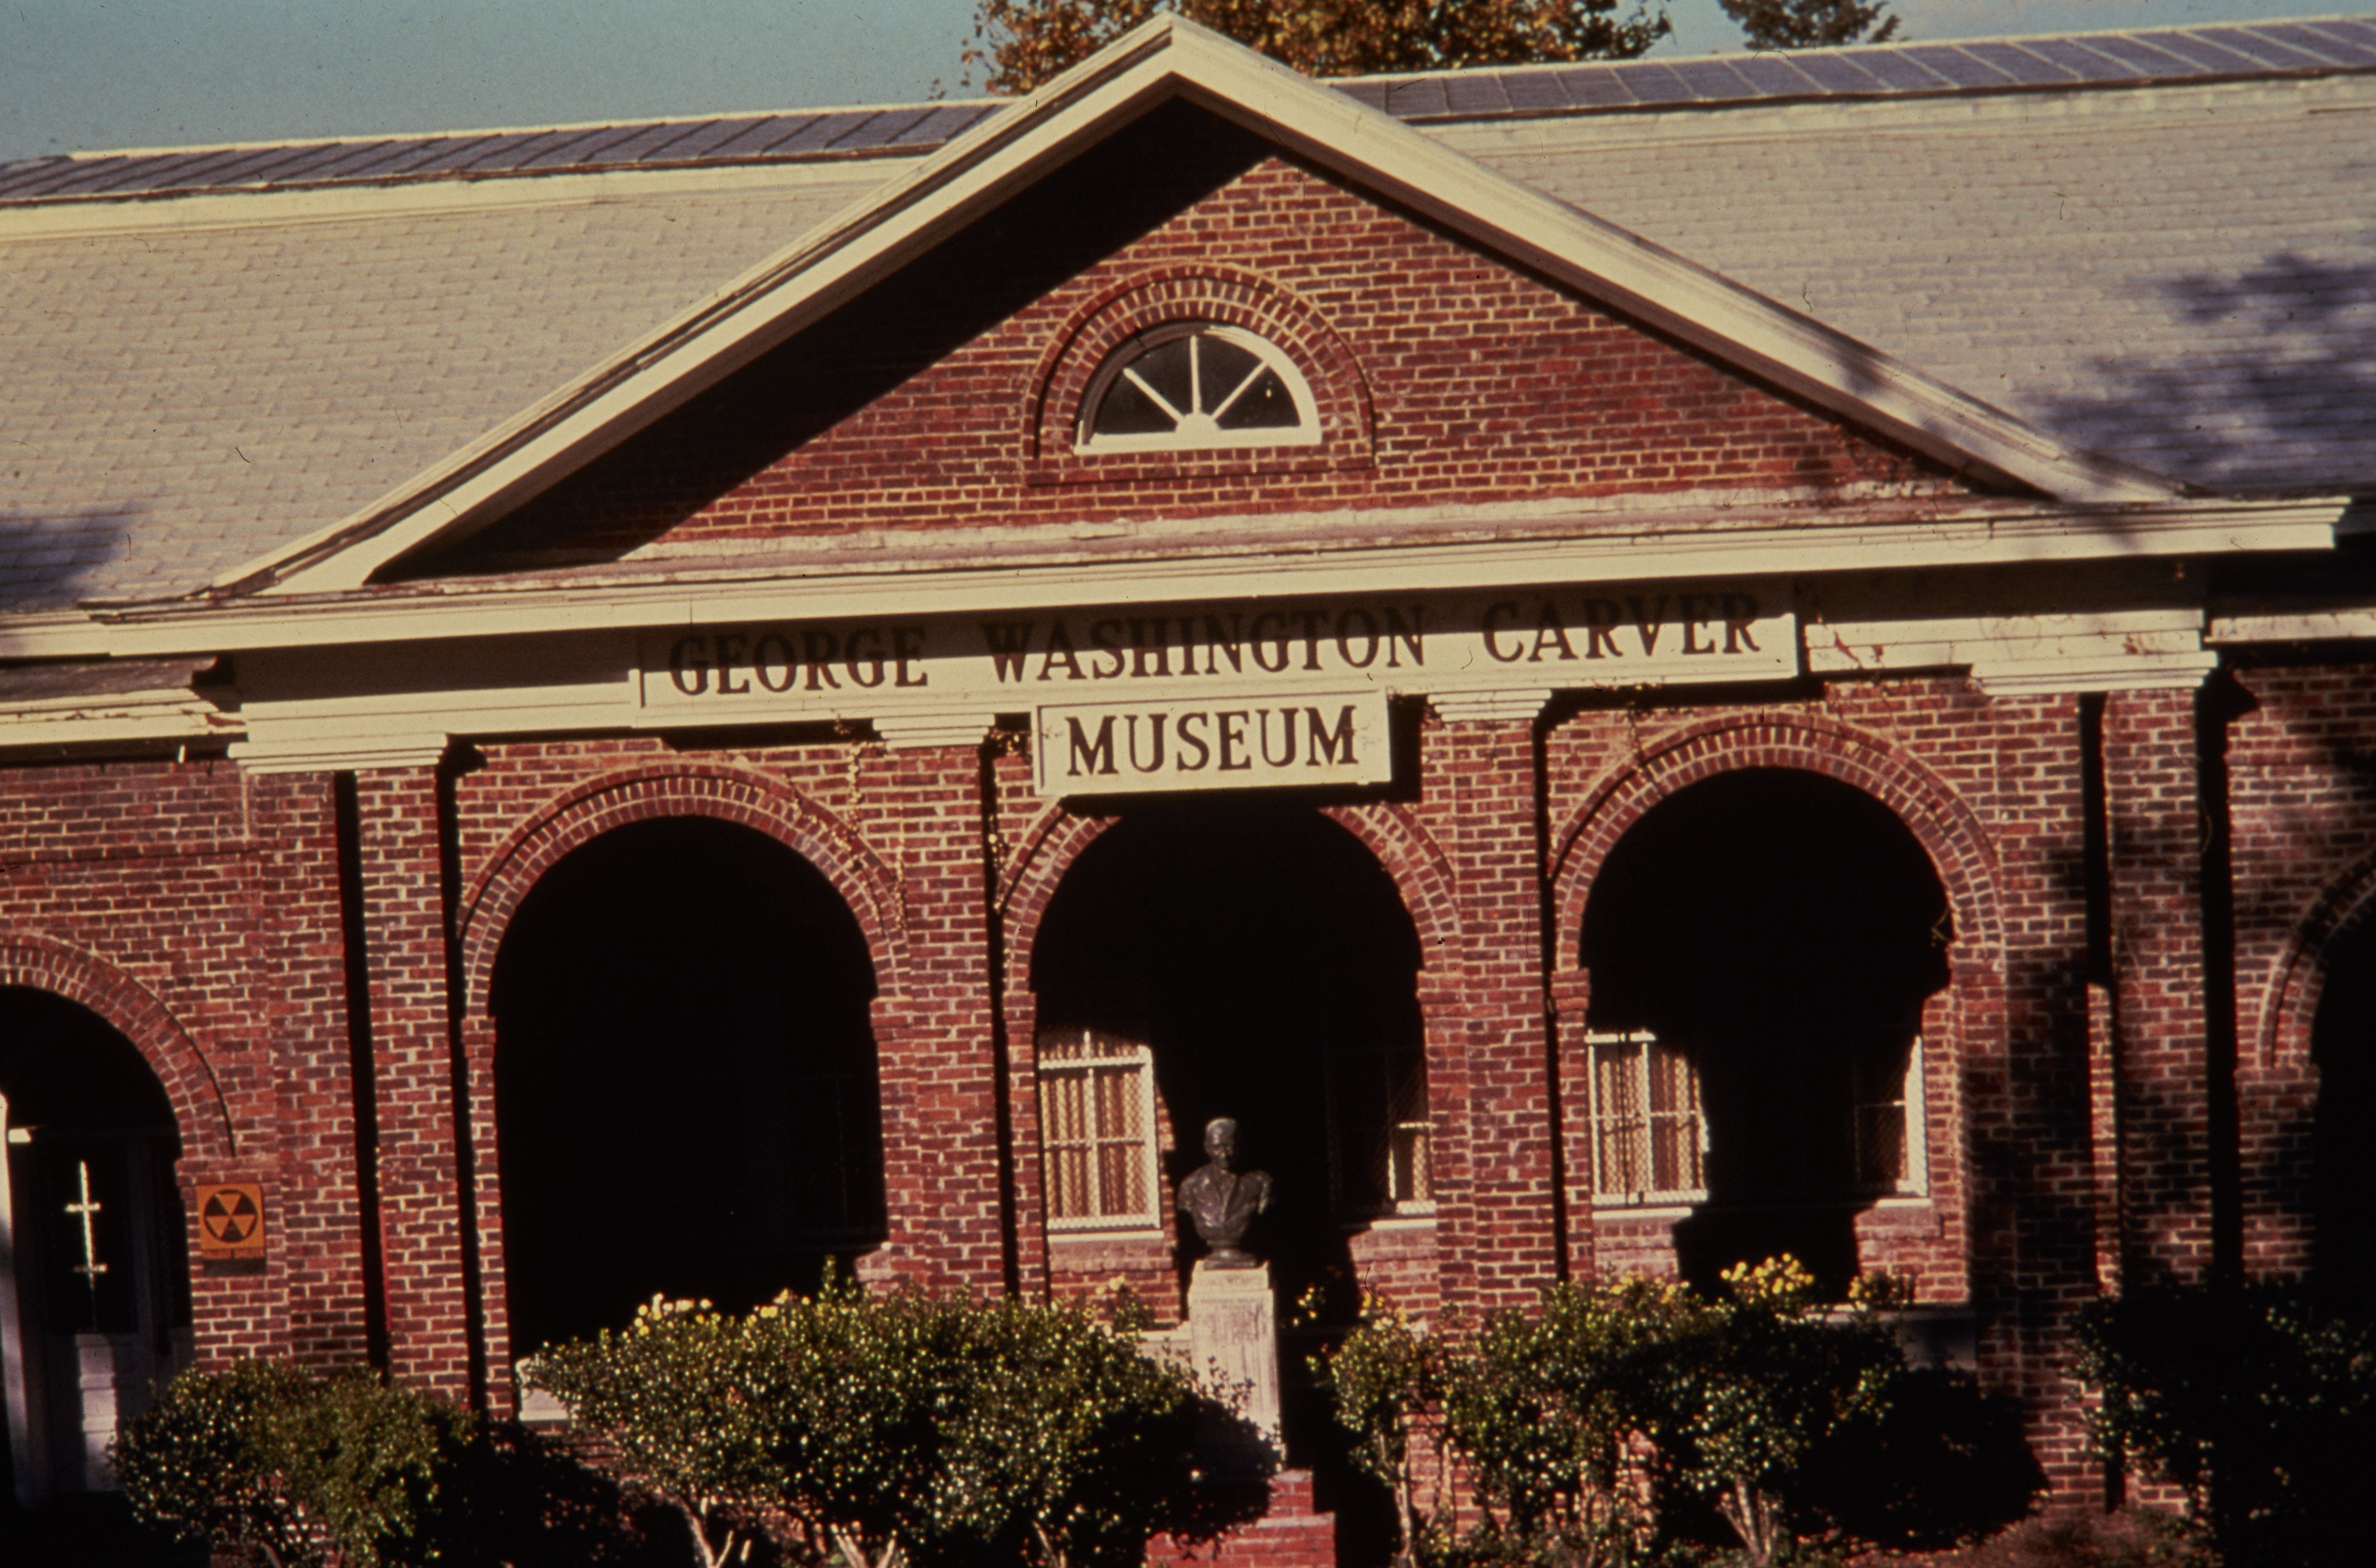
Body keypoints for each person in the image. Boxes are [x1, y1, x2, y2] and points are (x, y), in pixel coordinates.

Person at [1177, 1116, 1272, 1267]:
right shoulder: (1191, 1185)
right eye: (1217, 1147)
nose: (1224, 1154)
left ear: (1238, 1146)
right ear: (1207, 1148)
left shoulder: (1260, 1183)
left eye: (1229, 1146)